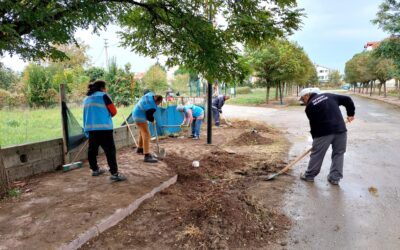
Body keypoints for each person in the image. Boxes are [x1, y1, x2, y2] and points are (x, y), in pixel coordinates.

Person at [299, 88, 355, 185]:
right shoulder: (330, 95)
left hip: (323, 132)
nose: (303, 102)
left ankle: (309, 176)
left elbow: (314, 126)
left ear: (307, 95)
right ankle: (335, 178)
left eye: (302, 99)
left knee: (317, 154)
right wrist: (351, 114)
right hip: (340, 130)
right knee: (339, 153)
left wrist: (315, 141)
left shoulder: (309, 107)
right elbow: (347, 99)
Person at [83, 80, 126, 181]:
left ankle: (95, 170)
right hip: (104, 129)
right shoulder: (104, 96)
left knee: (92, 150)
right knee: (110, 151)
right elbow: (114, 111)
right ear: (102, 88)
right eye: (105, 88)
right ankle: (114, 174)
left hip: (91, 129)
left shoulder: (86, 99)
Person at [132, 91, 163, 163]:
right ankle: (147, 155)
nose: (158, 105)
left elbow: (146, 91)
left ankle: (140, 149)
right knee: (146, 135)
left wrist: (152, 119)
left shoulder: (150, 94)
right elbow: (149, 117)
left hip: (135, 113)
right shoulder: (152, 106)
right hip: (140, 117)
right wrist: (153, 120)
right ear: (157, 101)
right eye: (158, 103)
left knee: (142, 132)